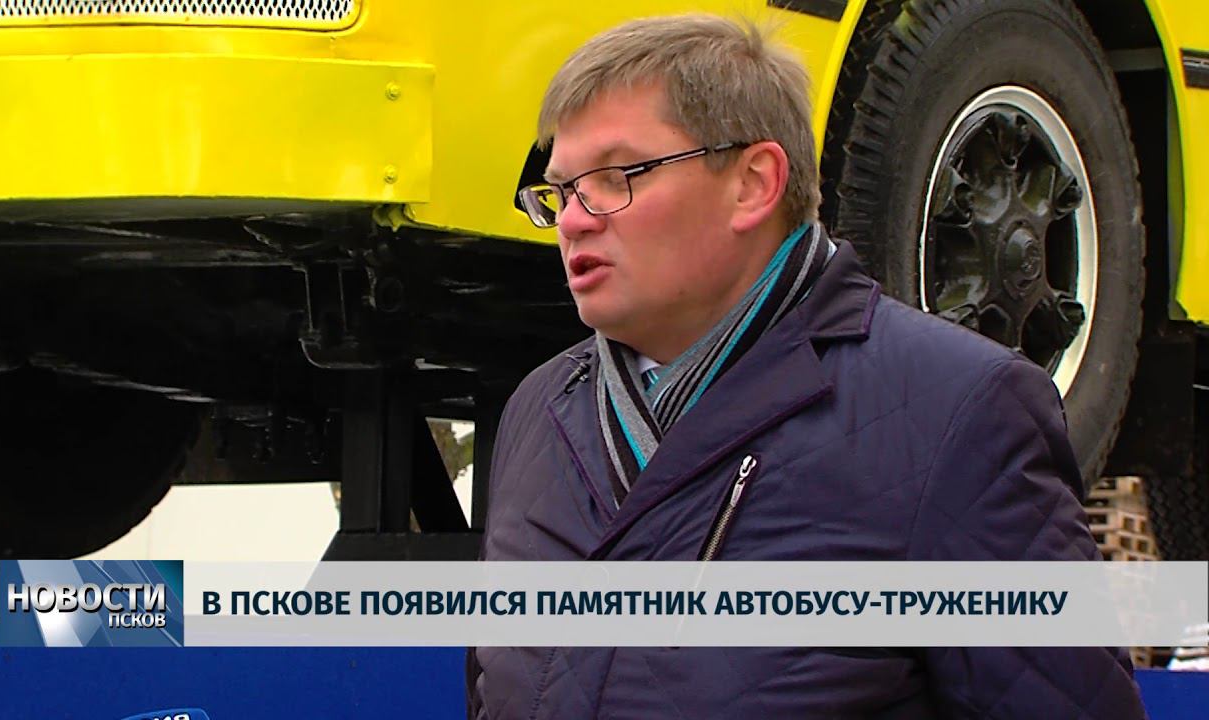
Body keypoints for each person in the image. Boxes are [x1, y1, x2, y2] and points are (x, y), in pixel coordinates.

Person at [473, 14, 1146, 719]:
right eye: (559, 192)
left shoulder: (959, 415)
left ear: (754, 182)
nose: (573, 220)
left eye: (615, 178)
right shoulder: (539, 411)